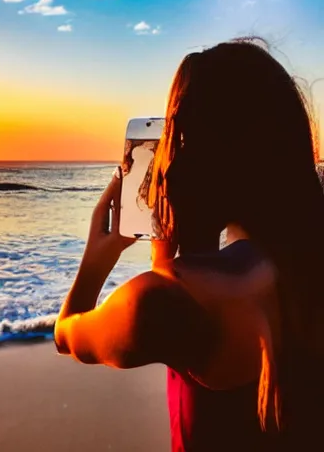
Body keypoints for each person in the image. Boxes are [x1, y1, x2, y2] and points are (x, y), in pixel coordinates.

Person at [54, 37, 324, 451]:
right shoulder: (305, 271)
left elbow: (68, 335)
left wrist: (96, 259)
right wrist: (172, 248)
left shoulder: (165, 304)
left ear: (182, 158)